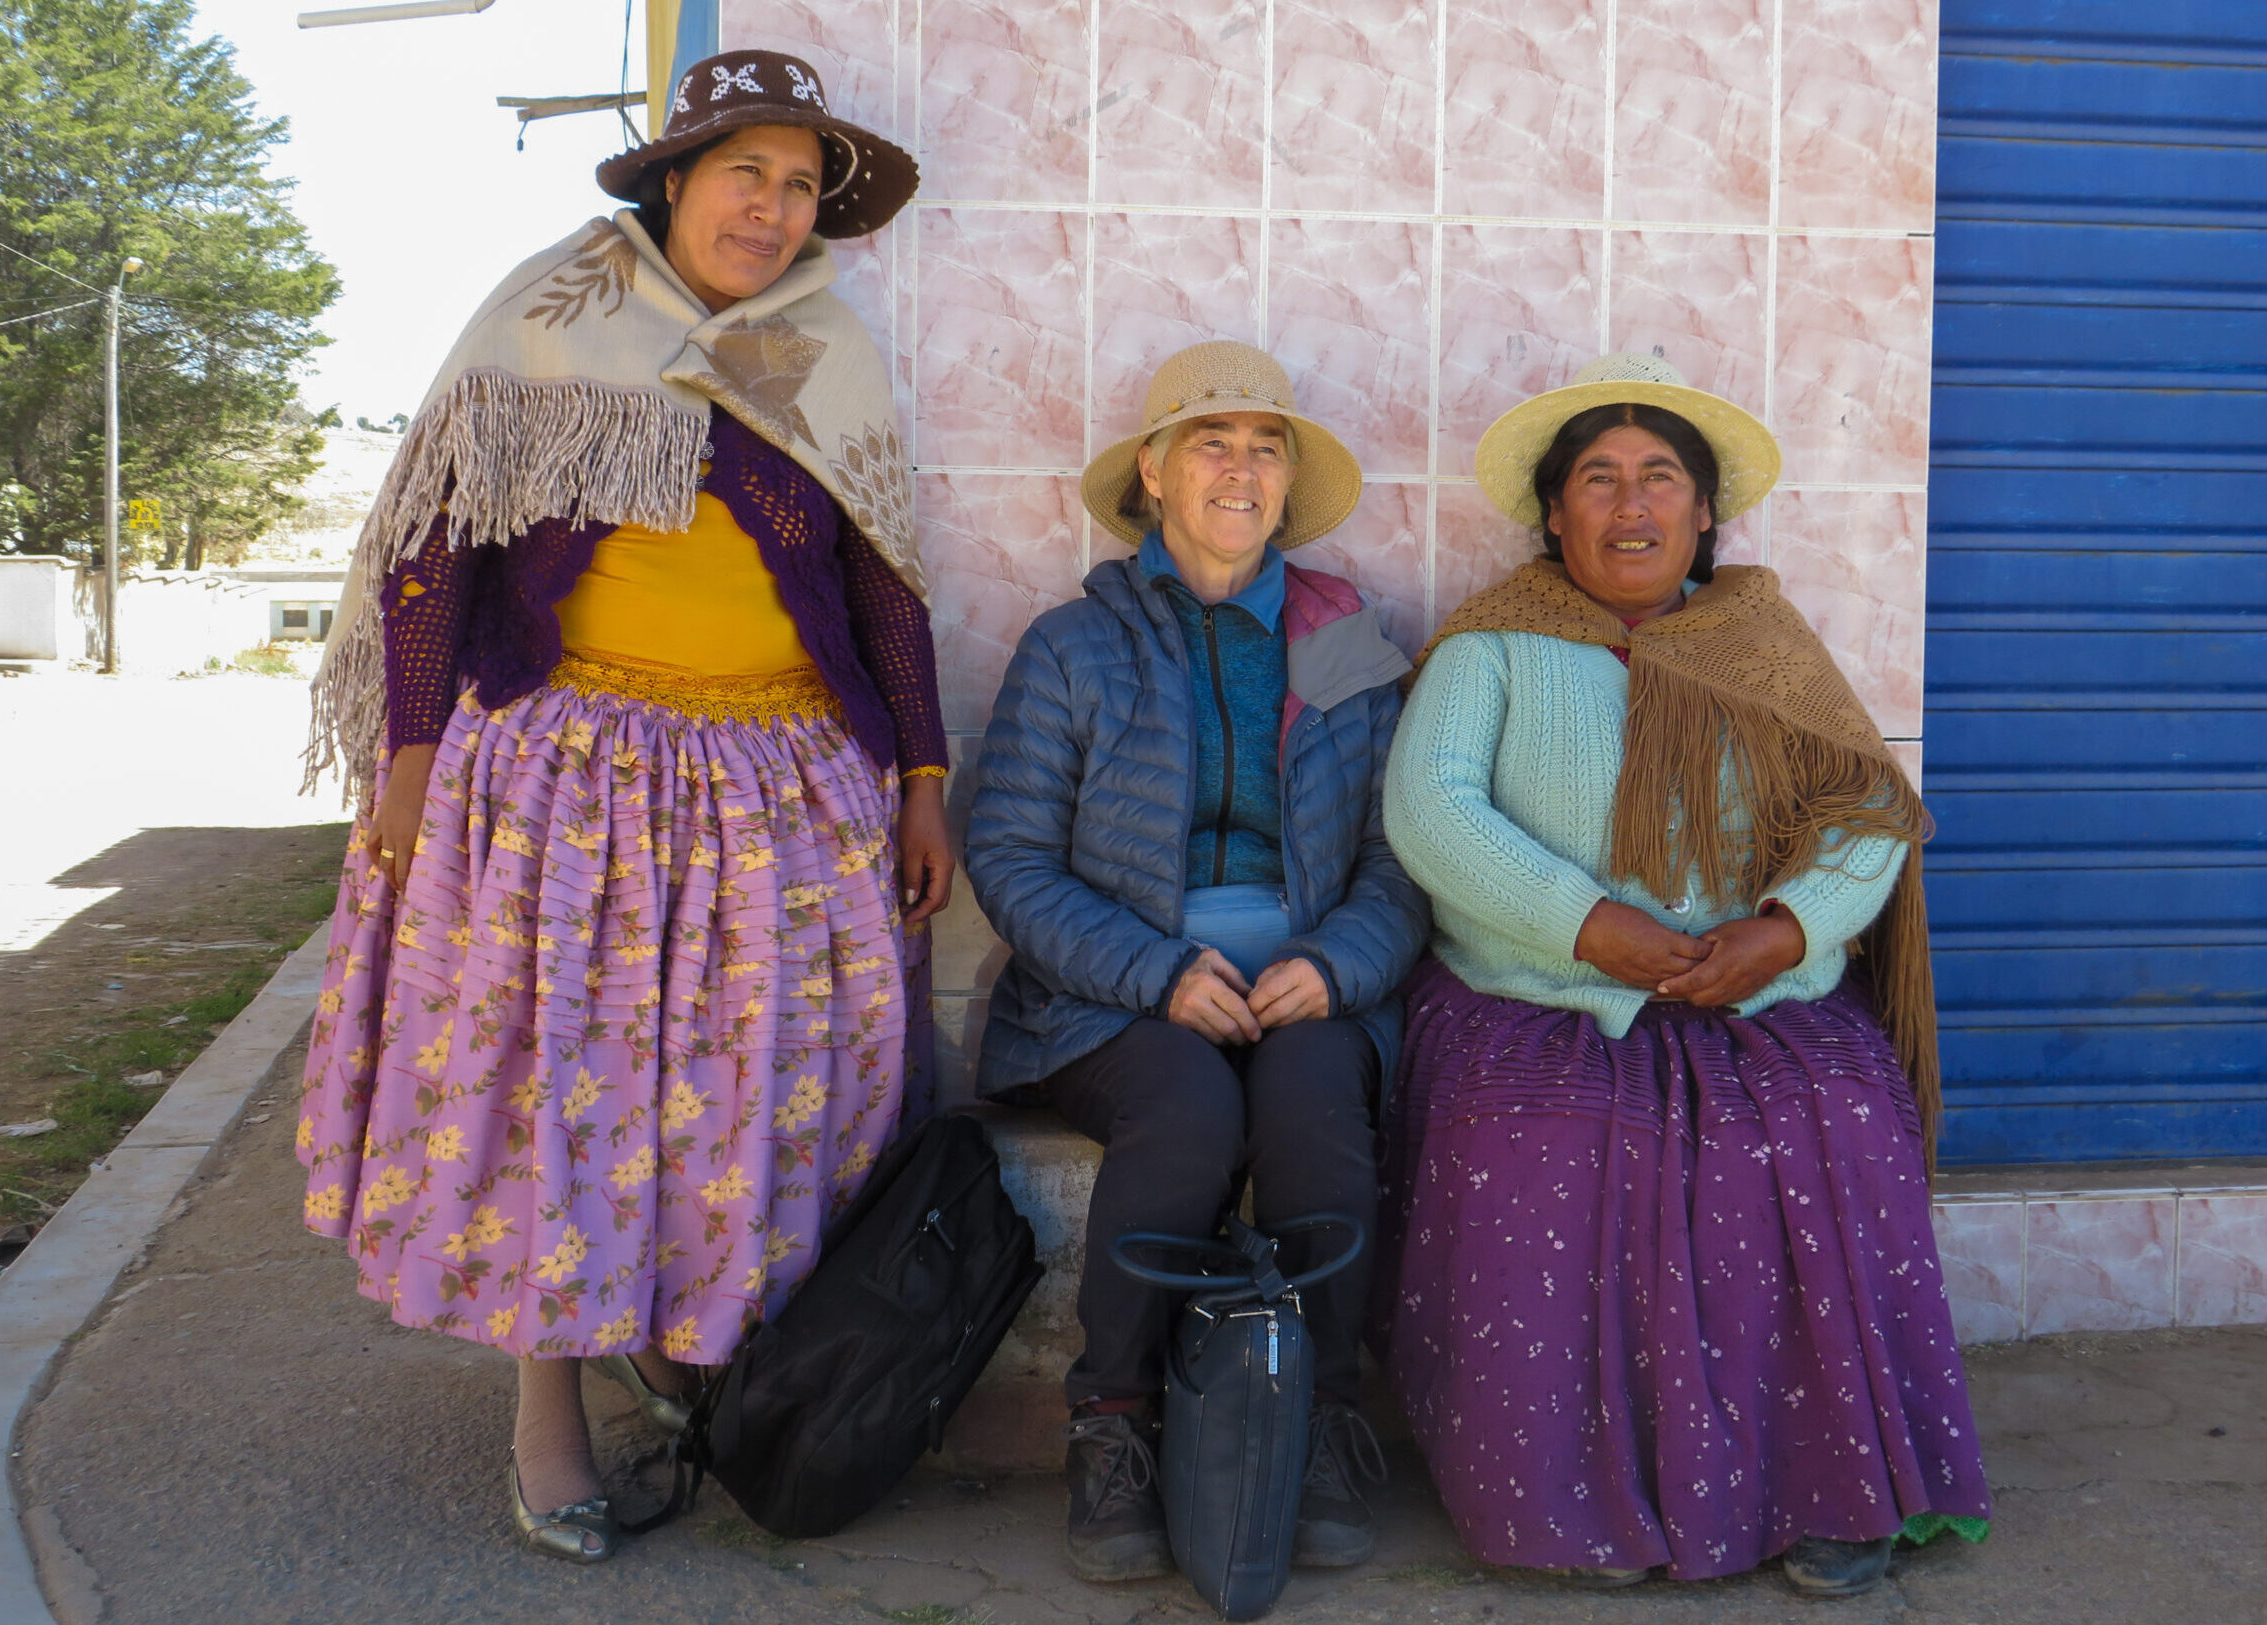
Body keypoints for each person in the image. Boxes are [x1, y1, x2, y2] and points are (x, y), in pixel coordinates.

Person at [293, 50, 950, 1566]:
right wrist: (404, 767)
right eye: (748, 176)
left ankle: (694, 1345)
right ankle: (548, 1417)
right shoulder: (548, 318)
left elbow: (885, 583)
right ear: (675, 177)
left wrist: (922, 778)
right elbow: (434, 544)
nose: (773, 212)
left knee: (749, 1091)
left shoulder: (822, 349)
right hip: (567, 780)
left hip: (783, 787)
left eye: (800, 189)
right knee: (555, 1094)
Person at [1378, 353, 1991, 1597]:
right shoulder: (1491, 646)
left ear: (1705, 513)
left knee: (1834, 1116)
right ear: (1553, 514)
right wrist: (1586, 921)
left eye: (1660, 476)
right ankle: (1577, 1498)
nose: (1630, 501)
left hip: (1746, 985)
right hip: (1536, 989)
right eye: (1597, 479)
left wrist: (1785, 928)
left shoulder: (1760, 642)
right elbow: (1429, 811)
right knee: (1554, 1141)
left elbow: (1864, 809)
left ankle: (1835, 1488)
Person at [966, 342, 1429, 1582]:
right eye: (1211, 444)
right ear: (1155, 477)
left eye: (1264, 447)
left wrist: (1337, 964)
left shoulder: (1341, 642)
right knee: (1181, 1109)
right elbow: (1008, 855)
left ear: (1286, 485)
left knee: (1315, 1104)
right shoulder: (1075, 645)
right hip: (1109, 995)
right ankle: (1111, 1422)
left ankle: (1322, 1414)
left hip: (1314, 985)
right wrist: (1155, 970)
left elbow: (1403, 855)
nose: (1241, 469)